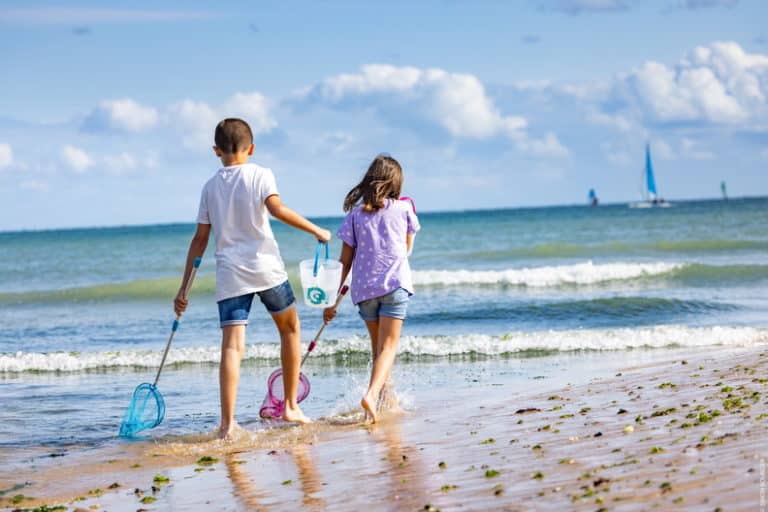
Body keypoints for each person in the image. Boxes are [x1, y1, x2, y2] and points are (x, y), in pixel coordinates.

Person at [174, 118, 330, 438]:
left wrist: (183, 290)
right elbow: (278, 209)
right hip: (266, 268)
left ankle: (228, 424)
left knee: (232, 348)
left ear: (216, 151)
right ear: (252, 148)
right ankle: (289, 405)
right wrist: (317, 230)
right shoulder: (261, 174)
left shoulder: (209, 187)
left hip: (230, 274)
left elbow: (199, 241)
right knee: (290, 330)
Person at [323, 155, 420, 423]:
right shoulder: (404, 210)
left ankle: (386, 403)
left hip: (365, 292)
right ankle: (372, 394)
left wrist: (331, 301)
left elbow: (344, 262)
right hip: (394, 285)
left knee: (379, 350)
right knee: (388, 348)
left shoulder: (355, 216)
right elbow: (408, 248)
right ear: (396, 183)